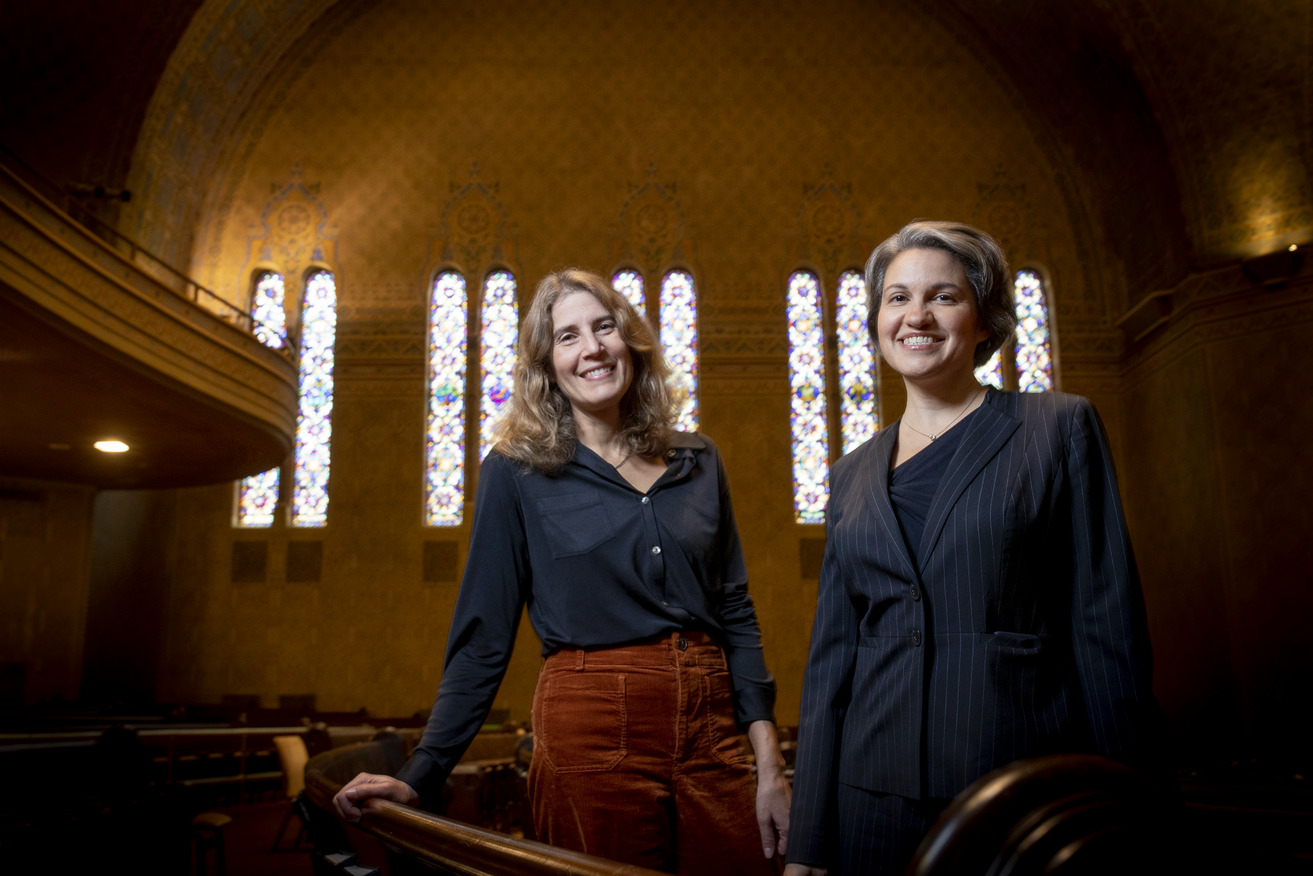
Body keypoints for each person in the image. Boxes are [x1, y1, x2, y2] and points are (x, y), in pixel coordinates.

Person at [334, 268, 789, 874]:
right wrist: (422, 773)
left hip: (713, 720)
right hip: (592, 723)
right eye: (568, 336)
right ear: (546, 365)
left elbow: (734, 607)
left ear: (632, 344)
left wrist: (769, 762)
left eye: (605, 328)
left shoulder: (699, 459)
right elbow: (483, 637)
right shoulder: (515, 471)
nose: (593, 348)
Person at [784, 221, 1161, 875]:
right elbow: (829, 668)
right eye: (896, 298)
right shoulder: (847, 475)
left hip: (1012, 788)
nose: (916, 316)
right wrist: (808, 841)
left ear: (984, 320)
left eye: (943, 297)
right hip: (867, 801)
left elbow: (1105, 634)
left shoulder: (1056, 427)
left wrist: (1130, 820)